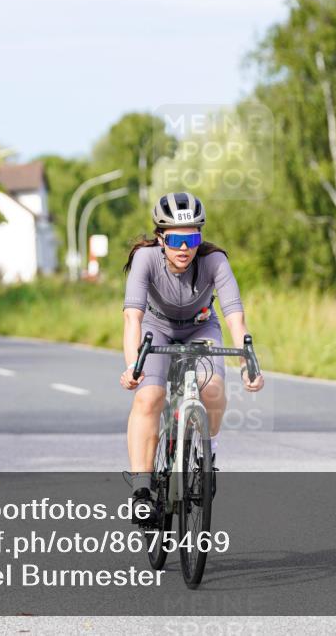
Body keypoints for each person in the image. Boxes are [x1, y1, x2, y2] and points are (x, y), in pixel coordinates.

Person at [119, 192, 264, 523]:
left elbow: (235, 319)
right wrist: (133, 366)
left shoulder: (215, 262)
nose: (184, 248)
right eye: (175, 239)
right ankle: (142, 490)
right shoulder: (145, 259)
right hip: (156, 330)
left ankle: (205, 460)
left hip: (201, 329)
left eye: (192, 238)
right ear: (160, 238)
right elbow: (133, 319)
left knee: (212, 387)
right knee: (150, 397)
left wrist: (248, 366)